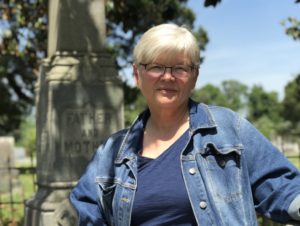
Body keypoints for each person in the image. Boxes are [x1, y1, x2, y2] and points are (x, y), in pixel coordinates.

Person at [69, 23, 300, 226]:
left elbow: (282, 187)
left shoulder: (228, 129)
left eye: (180, 68)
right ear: (137, 74)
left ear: (195, 76)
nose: (168, 77)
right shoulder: (112, 152)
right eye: (156, 66)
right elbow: (86, 210)